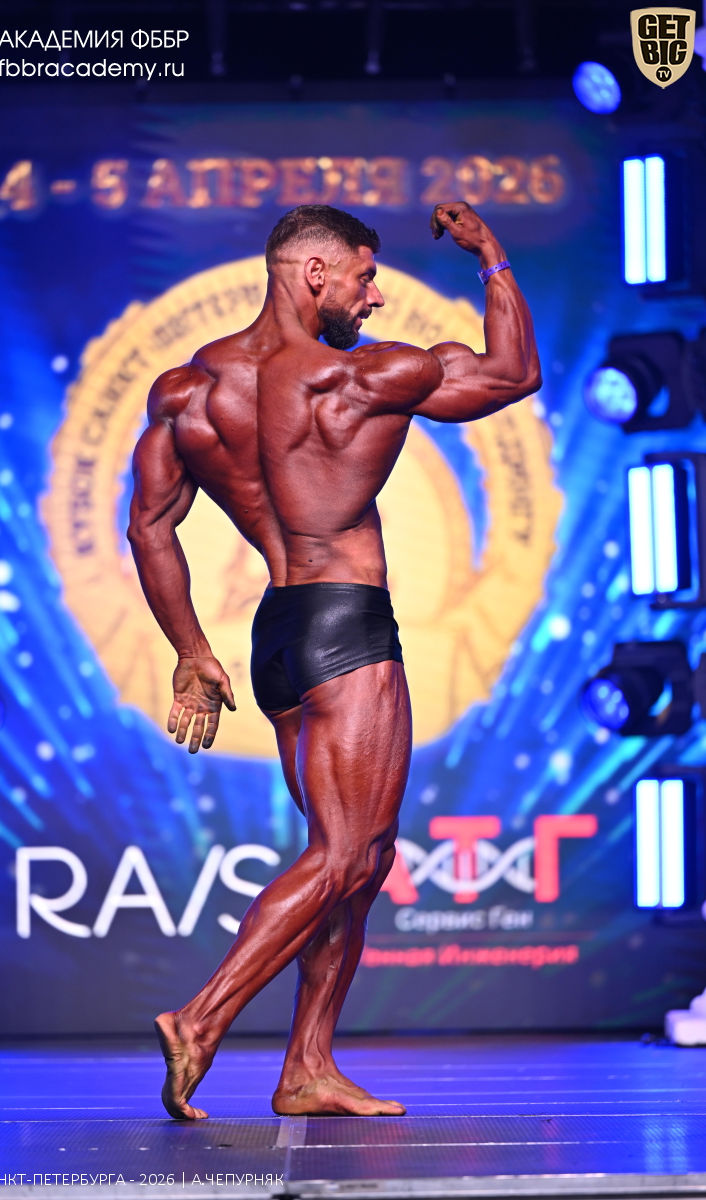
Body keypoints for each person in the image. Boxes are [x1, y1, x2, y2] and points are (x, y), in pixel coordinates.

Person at [127, 200, 541, 1120]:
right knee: (347, 852)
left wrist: (191, 650)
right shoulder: (367, 376)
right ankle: (200, 1019)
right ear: (314, 273)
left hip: (278, 634)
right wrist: (489, 253)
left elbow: (150, 527)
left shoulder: (189, 391)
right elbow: (514, 373)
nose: (375, 296)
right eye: (365, 275)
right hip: (348, 626)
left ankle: (307, 1067)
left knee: (360, 860)